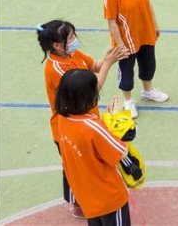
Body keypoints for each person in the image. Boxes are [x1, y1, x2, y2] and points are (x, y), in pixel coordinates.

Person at [38, 20, 127, 219]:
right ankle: (78, 203)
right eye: (70, 37)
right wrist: (109, 64)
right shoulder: (57, 69)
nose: (75, 39)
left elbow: (94, 66)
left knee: (89, 164)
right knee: (75, 167)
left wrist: (107, 59)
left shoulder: (73, 54)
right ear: (57, 45)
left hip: (87, 121)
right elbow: (90, 92)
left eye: (74, 34)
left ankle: (87, 200)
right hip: (69, 127)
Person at [55, 69, 132, 225]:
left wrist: (103, 127)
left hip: (87, 197)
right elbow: (122, 152)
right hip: (109, 198)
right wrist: (116, 118)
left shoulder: (62, 120)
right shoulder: (92, 128)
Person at [103, 0, 169, 119]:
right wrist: (120, 45)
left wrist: (154, 24)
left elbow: (148, 4)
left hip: (145, 34)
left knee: (148, 65)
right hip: (127, 41)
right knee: (126, 72)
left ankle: (148, 91)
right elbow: (112, 21)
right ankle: (128, 101)